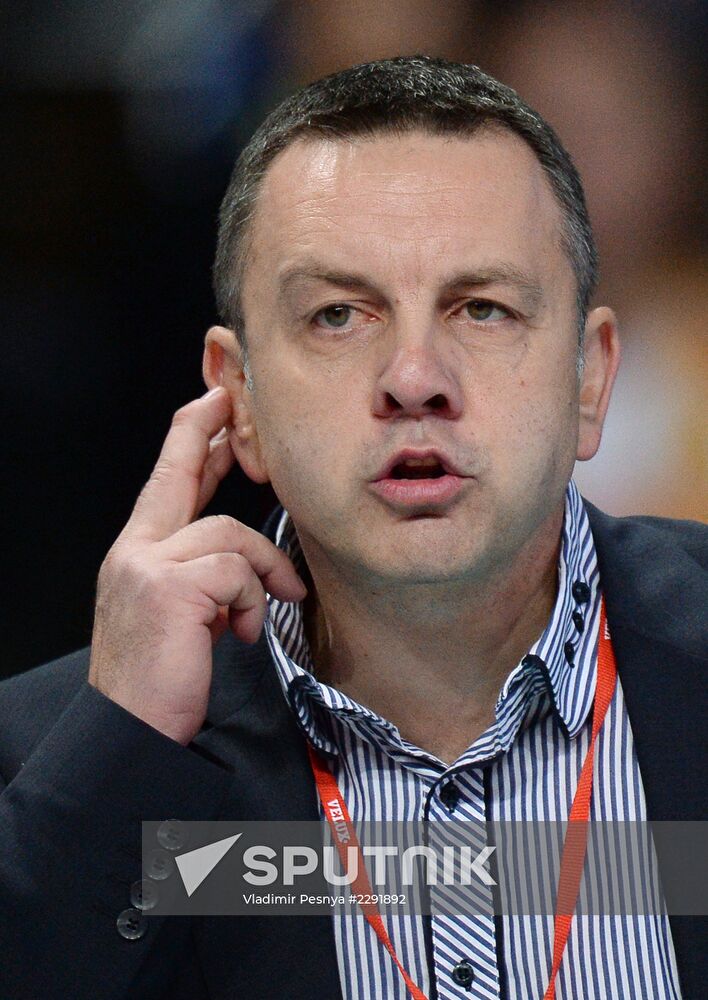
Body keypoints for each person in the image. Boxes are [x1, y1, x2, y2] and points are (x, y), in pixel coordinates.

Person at [0, 56, 705, 1000]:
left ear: (590, 377)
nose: (414, 376)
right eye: (339, 315)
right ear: (237, 396)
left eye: (483, 308)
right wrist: (121, 755)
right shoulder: (54, 765)